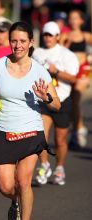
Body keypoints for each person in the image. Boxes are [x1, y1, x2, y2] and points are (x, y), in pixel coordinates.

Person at [0, 21, 60, 220]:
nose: (18, 45)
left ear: (31, 42)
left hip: (31, 130)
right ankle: (15, 201)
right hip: (3, 130)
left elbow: (56, 104)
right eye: (13, 41)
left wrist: (46, 98)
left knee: (23, 181)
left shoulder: (40, 71)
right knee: (5, 185)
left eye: (23, 41)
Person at [33, 21, 79, 185]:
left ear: (58, 36)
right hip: (43, 100)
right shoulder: (36, 53)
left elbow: (73, 78)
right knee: (41, 137)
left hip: (62, 100)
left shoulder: (67, 55)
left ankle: (59, 167)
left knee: (60, 140)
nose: (48, 38)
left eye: (51, 35)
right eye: (45, 34)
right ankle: (44, 165)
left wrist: (56, 72)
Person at [59, 9, 92, 147]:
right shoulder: (64, 36)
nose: (73, 21)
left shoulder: (87, 36)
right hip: (70, 72)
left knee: (76, 98)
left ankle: (78, 129)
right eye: (71, 18)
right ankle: (77, 129)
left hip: (84, 72)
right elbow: (58, 52)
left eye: (76, 18)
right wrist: (66, 44)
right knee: (72, 102)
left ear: (81, 21)